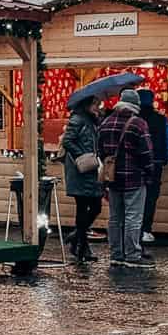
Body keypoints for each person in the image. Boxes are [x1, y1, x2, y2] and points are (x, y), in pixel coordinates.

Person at [98, 89, 156, 268]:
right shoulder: (138, 124)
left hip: (113, 178)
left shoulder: (106, 122)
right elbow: (146, 152)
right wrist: (149, 172)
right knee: (133, 217)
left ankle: (116, 253)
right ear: (135, 105)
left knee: (115, 217)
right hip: (134, 177)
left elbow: (99, 149)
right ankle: (132, 254)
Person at [60, 95, 103, 262]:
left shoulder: (93, 121)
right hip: (80, 169)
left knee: (96, 207)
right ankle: (83, 247)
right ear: (86, 104)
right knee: (83, 208)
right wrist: (82, 156)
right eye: (94, 104)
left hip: (92, 169)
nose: (97, 107)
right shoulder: (78, 119)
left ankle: (76, 236)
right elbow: (68, 141)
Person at [137, 89, 168, 246]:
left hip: (135, 164)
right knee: (151, 198)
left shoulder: (132, 119)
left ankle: (133, 230)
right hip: (155, 163)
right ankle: (145, 229)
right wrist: (164, 159)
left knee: (134, 198)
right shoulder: (160, 119)